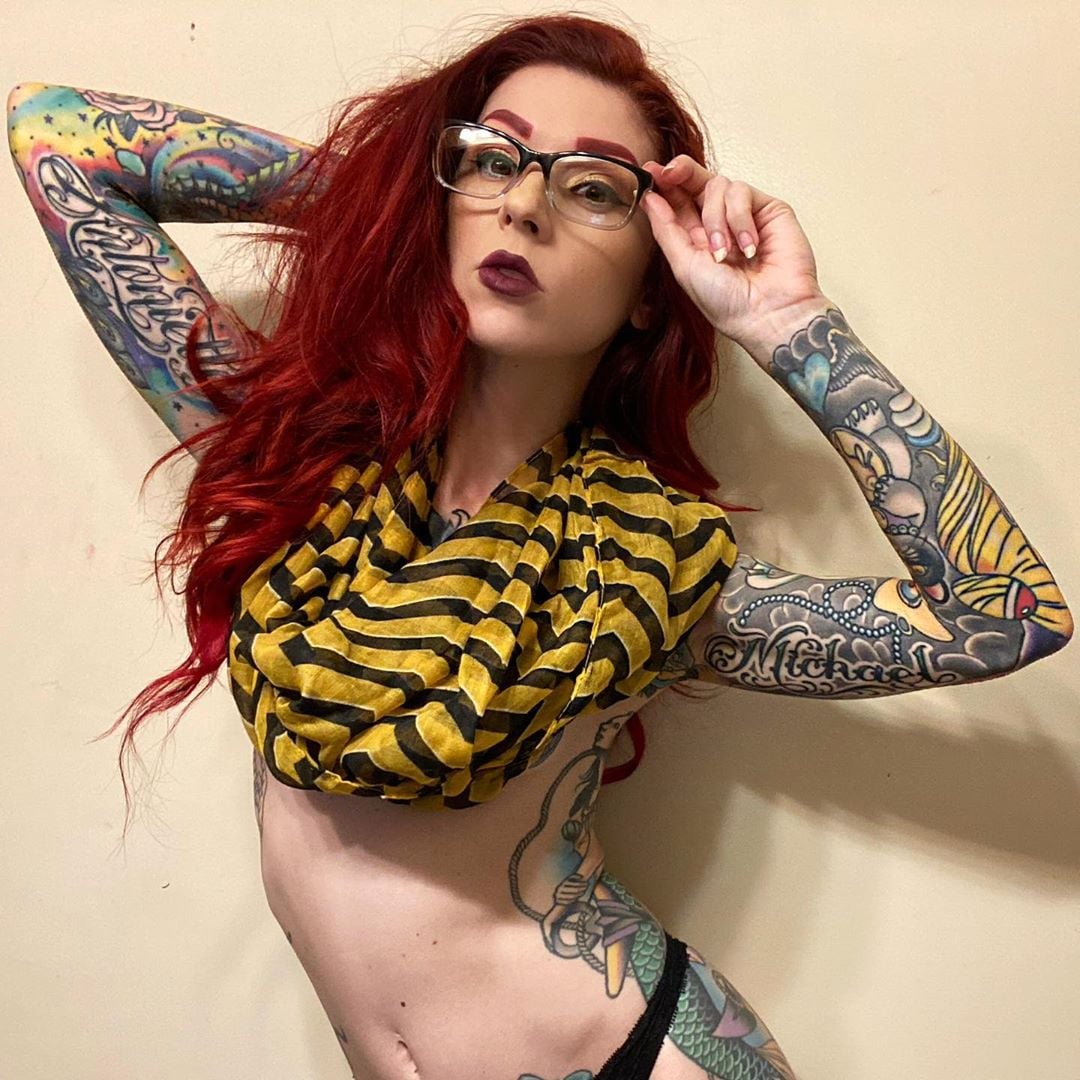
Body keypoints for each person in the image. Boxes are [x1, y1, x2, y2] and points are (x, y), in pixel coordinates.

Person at [7, 12, 1072, 1080]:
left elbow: (1006, 612)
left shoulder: (647, 567)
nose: (522, 205)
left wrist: (791, 324)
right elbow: (59, 135)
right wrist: (396, 204)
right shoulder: (294, 465)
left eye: (594, 188)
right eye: (491, 160)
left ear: (652, 283)